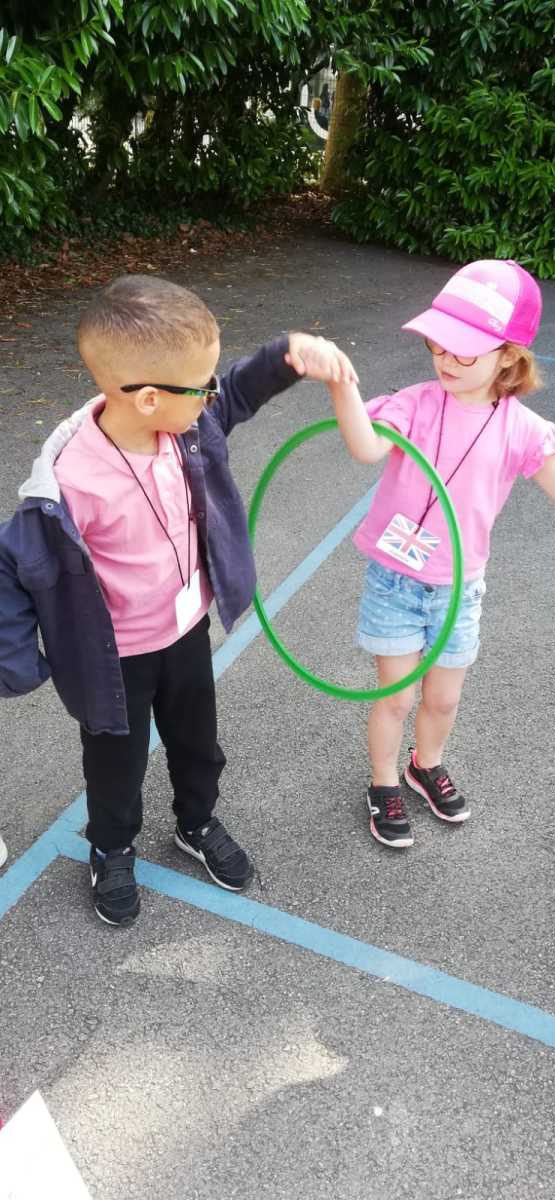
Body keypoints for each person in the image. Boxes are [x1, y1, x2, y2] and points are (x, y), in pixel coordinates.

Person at [0, 274, 356, 925]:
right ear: (148, 399)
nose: (212, 394)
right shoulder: (72, 484)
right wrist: (17, 660)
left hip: (186, 630)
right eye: (201, 385)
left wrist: (287, 356)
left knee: (197, 743)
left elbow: (238, 392)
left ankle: (197, 821)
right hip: (115, 659)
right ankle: (111, 847)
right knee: (116, 763)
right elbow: (13, 565)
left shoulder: (184, 427)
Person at [326, 259, 555, 849]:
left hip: (459, 589)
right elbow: (366, 447)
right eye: (438, 344)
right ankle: (383, 781)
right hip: (395, 581)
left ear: (508, 356)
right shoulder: (417, 404)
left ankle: (425, 765)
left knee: (444, 699)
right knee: (395, 697)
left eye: (464, 351)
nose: (446, 359)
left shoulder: (522, 428)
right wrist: (342, 387)